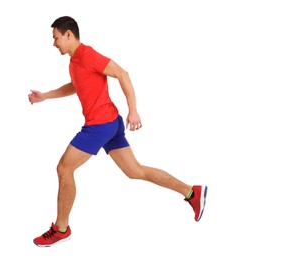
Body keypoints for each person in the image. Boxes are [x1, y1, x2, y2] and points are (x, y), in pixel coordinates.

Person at [29, 16, 207, 247]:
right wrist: (46, 96)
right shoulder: (74, 62)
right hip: (109, 123)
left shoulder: (88, 54)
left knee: (64, 168)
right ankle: (192, 193)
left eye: (55, 38)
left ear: (68, 34)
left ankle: (61, 228)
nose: (54, 43)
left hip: (100, 125)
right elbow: (75, 86)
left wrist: (133, 110)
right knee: (136, 171)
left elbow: (123, 74)